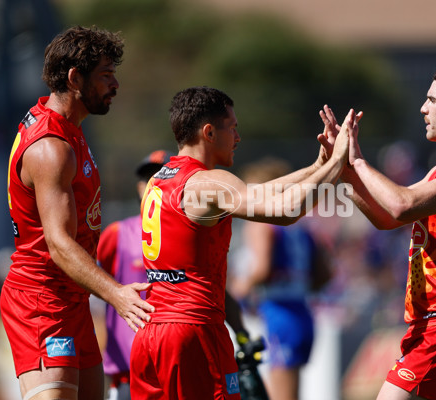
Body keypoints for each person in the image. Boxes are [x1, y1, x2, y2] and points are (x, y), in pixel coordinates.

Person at [130, 86, 357, 399]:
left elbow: (260, 194)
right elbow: (284, 211)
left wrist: (318, 166)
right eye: (232, 128)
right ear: (209, 132)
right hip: (194, 332)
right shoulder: (208, 182)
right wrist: (338, 165)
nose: (238, 137)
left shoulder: (159, 179)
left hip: (152, 334)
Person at [319, 66, 436, 400]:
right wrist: (344, 171)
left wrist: (358, 160)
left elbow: (402, 205)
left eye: (432, 100)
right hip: (435, 324)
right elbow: (388, 218)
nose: (423, 108)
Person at [2, 26, 154, 400]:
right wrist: (117, 293)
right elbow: (58, 244)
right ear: (74, 78)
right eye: (105, 75)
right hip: (40, 300)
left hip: (71, 296)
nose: (115, 84)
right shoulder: (52, 148)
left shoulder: (68, 128)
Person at [229, 157, 333, 400]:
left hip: (279, 313)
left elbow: (262, 268)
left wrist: (238, 291)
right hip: (303, 312)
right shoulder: (302, 227)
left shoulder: (262, 225)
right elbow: (324, 275)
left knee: (281, 394)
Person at [97, 150, 172, 400]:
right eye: (147, 179)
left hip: (176, 365)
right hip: (129, 371)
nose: (152, 184)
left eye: (161, 177)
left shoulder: (192, 235)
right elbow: (91, 284)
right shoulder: (118, 233)